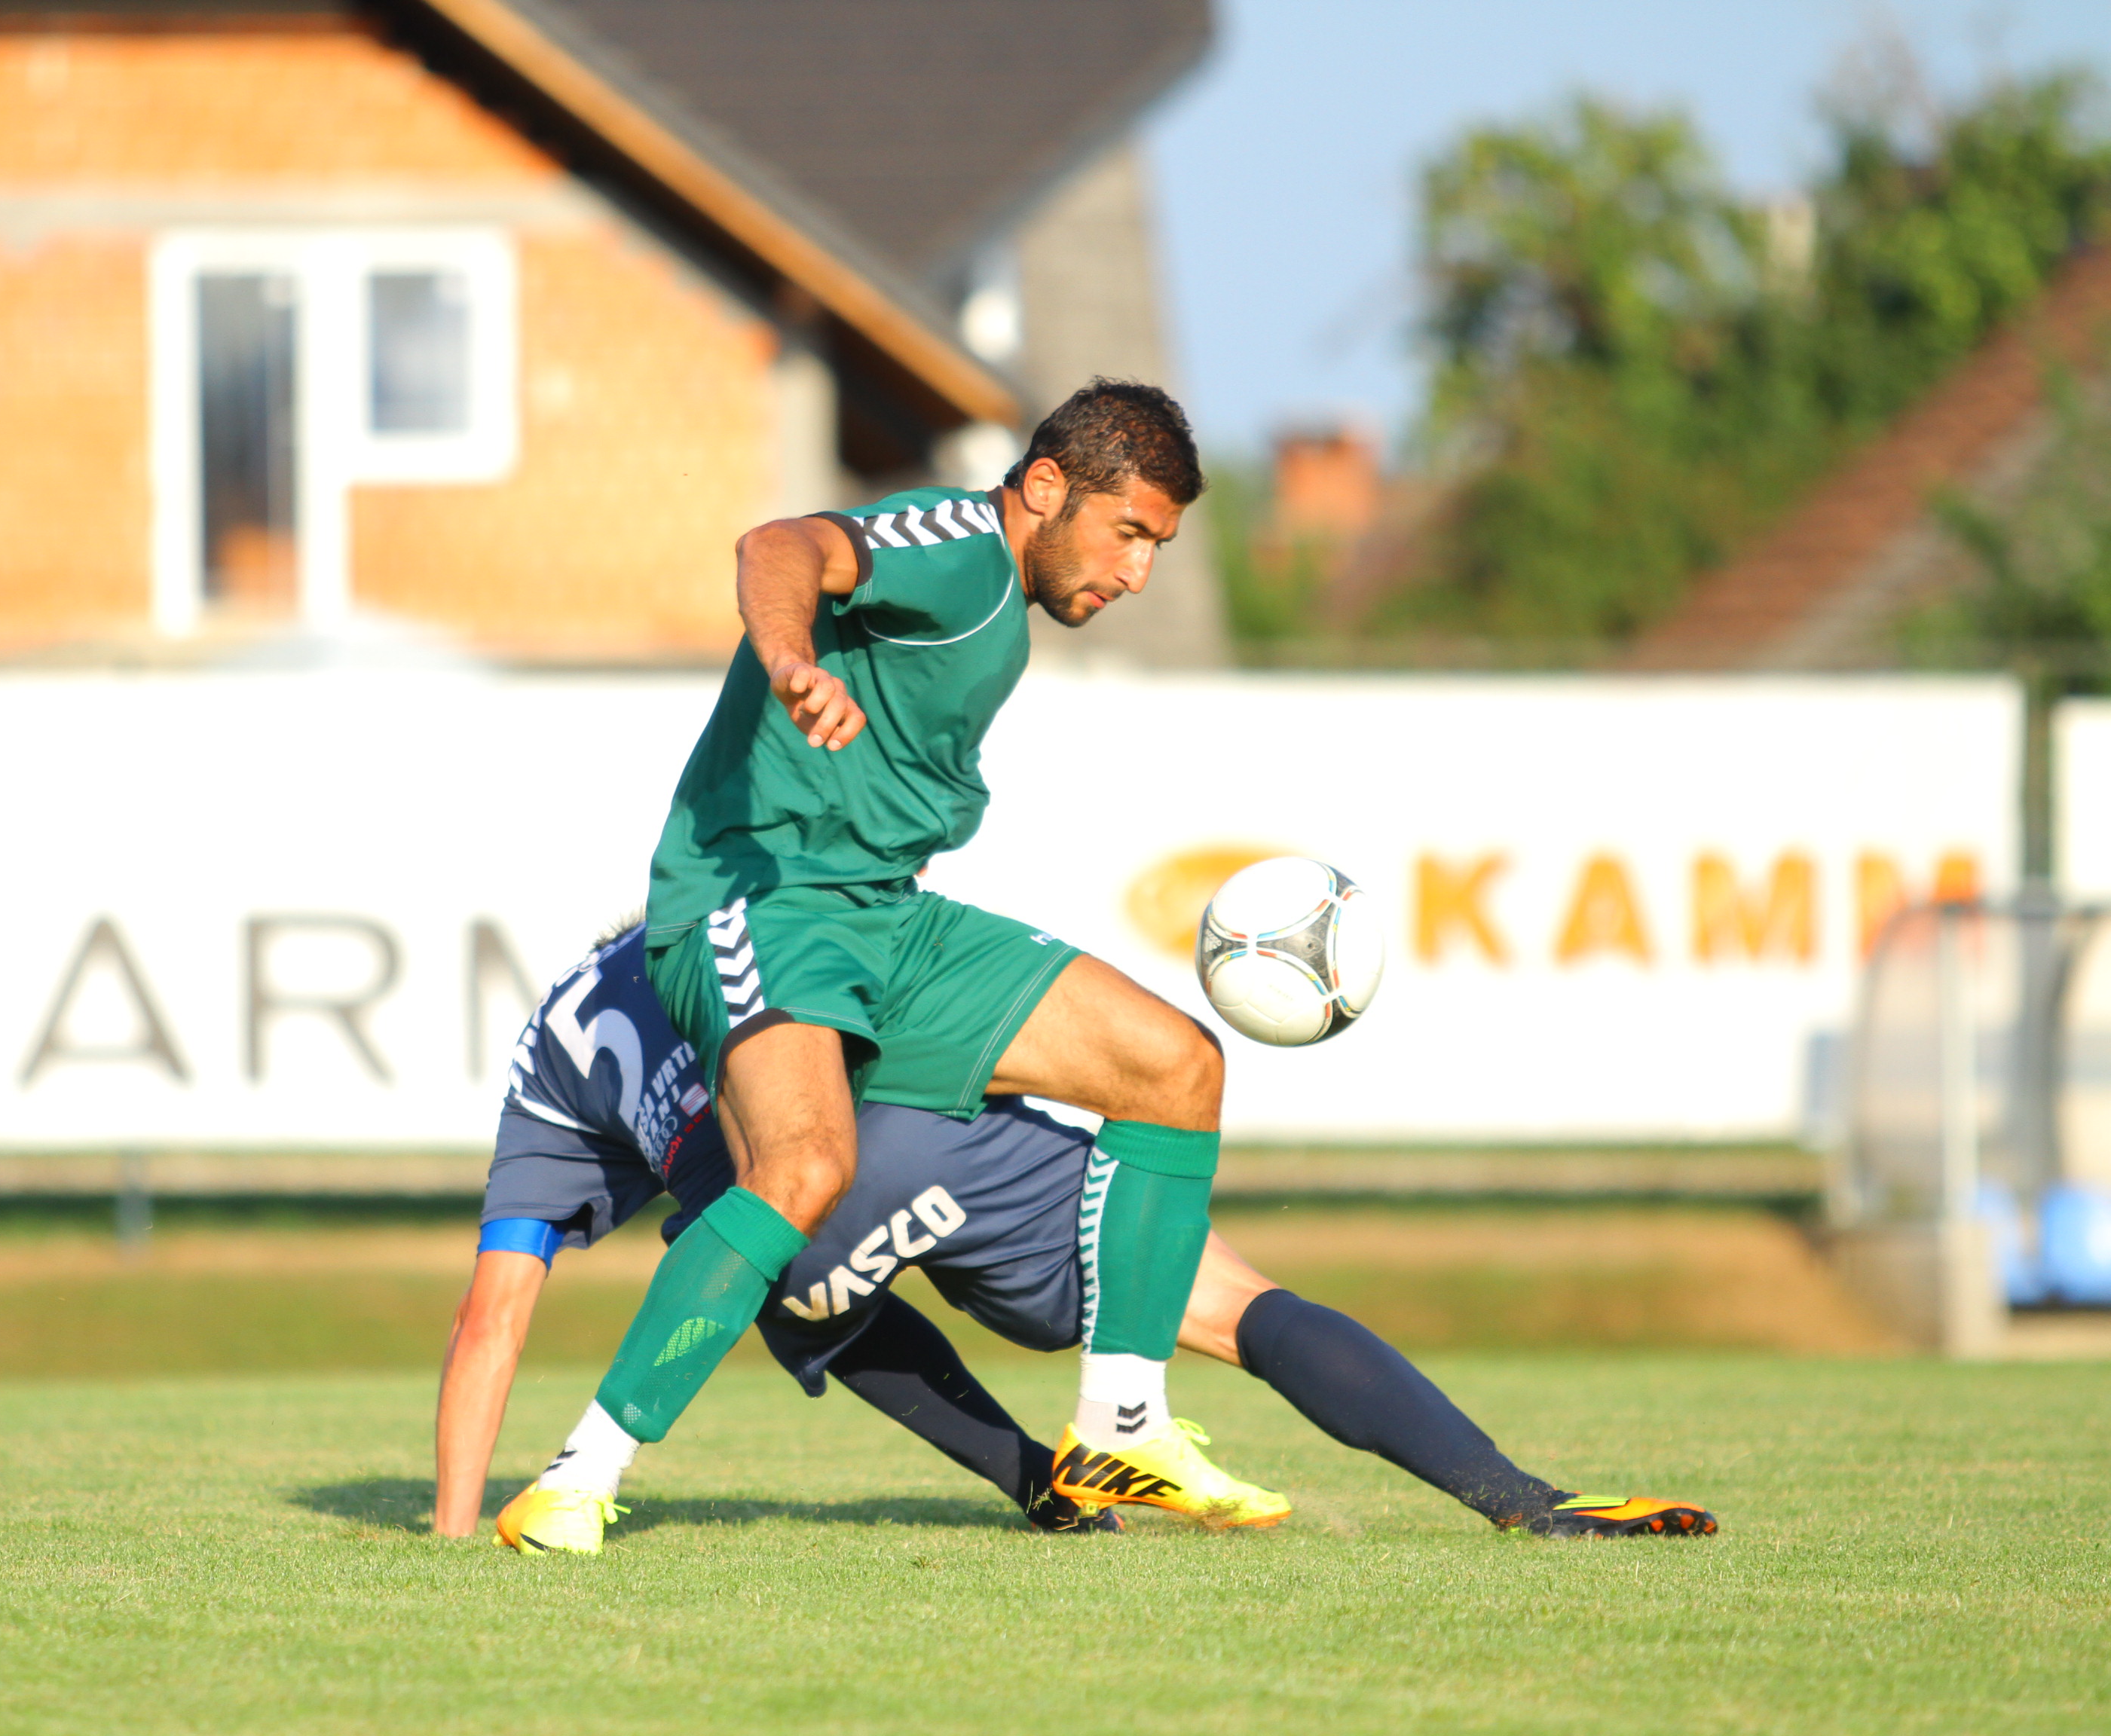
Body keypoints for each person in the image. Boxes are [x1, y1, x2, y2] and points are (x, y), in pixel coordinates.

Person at [500, 381, 1255, 1554]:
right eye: (1130, 533)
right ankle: (576, 1478)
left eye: (1160, 544)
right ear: (1046, 487)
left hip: (881, 918)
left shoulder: (1002, 593)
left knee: (1176, 1066)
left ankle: (1123, 1422)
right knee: (806, 1169)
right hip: (759, 901)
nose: (1140, 571)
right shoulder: (960, 547)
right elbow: (780, 544)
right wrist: (793, 657)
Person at [445, 924, 1720, 1552]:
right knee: (1228, 1299)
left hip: (790, 1244)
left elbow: (492, 1316)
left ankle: (1035, 1478)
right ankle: (1522, 1504)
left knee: (793, 1290)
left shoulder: (545, 1081)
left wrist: (449, 1534)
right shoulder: (737, 935)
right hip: (907, 1144)